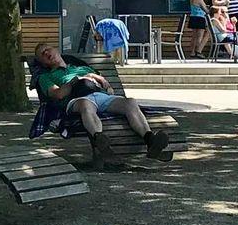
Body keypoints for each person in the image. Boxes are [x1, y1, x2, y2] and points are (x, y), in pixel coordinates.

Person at [32, 44, 166, 155]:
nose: (47, 53)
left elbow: (106, 85)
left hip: (100, 95)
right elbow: (58, 94)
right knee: (86, 105)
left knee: (130, 102)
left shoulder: (82, 68)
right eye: (42, 54)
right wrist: (76, 80)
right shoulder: (45, 77)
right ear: (43, 62)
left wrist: (102, 81)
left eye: (47, 49)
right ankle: (100, 140)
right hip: (77, 99)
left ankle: (150, 140)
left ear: (56, 49)